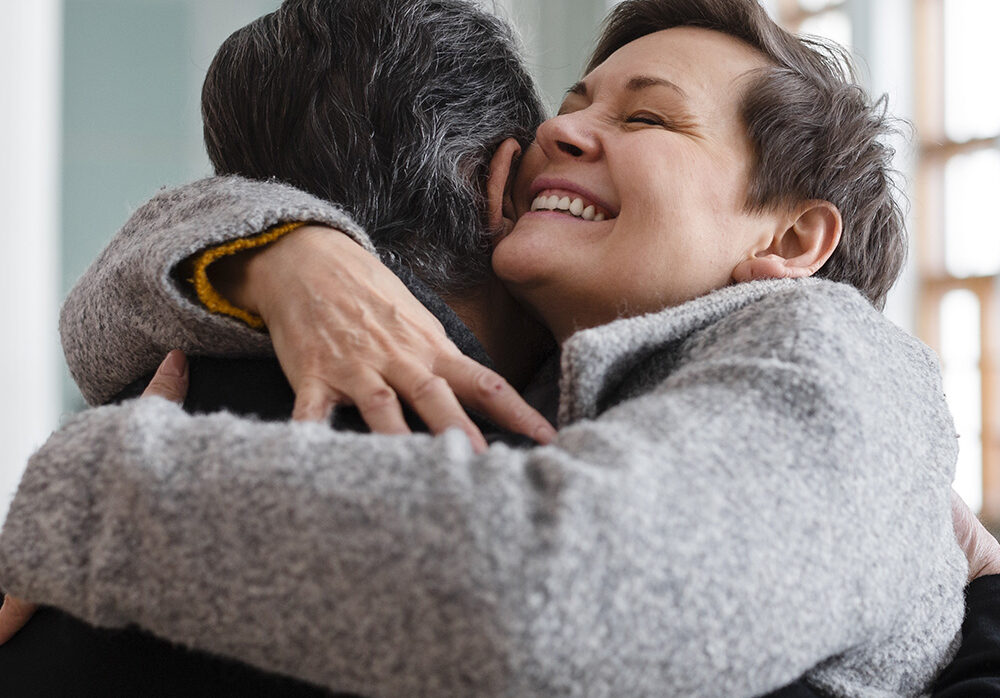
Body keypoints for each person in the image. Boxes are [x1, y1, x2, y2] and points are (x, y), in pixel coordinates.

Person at [0, 0, 997, 695]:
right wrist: (284, 254)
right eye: (574, 103)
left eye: (645, 115)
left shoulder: (831, 362)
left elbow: (557, 594)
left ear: (787, 240)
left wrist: (85, 494)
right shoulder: (568, 386)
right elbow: (97, 328)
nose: (565, 132)